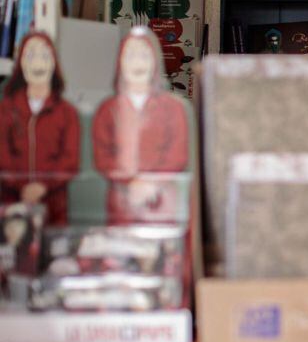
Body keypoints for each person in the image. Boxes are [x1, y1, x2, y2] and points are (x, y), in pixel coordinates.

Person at [92, 29, 190, 225]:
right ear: (120, 62)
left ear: (155, 61)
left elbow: (177, 154)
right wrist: (130, 183)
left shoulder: (174, 108)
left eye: (144, 55)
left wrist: (151, 183)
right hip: (121, 202)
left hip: (162, 202)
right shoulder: (107, 110)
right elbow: (103, 156)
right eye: (131, 55)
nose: (138, 62)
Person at [0, 33, 81, 227]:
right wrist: (22, 187)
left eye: (44, 55)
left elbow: (70, 161)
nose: (38, 62)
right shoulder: (6, 109)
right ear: (21, 64)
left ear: (54, 64)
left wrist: (43, 186)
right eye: (31, 55)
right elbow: (2, 153)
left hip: (54, 209)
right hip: (12, 207)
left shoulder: (67, 113)